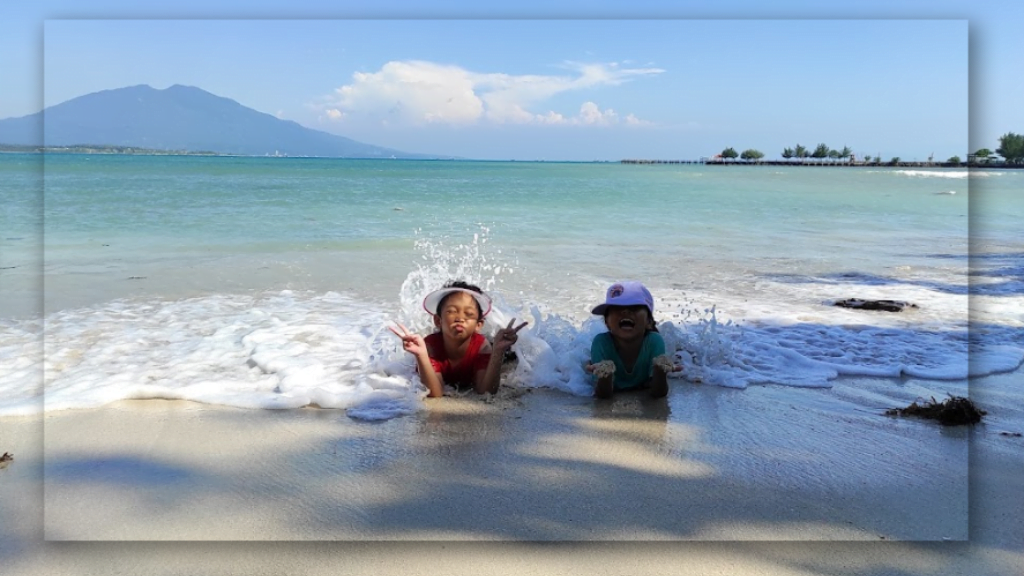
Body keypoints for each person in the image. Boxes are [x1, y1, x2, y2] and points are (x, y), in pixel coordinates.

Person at [390, 280, 527, 397]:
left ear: (478, 325)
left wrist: (498, 351)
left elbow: (485, 391)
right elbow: (435, 393)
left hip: (480, 361)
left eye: (469, 314)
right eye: (452, 311)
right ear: (438, 321)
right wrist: (421, 355)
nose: (460, 318)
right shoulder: (430, 346)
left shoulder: (482, 346)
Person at [586, 281, 678, 399]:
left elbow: (658, 393)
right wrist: (605, 374)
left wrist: (660, 370)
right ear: (607, 322)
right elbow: (603, 395)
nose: (625, 311)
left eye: (634, 307)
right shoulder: (601, 343)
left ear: (649, 322)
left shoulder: (654, 341)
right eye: (617, 308)